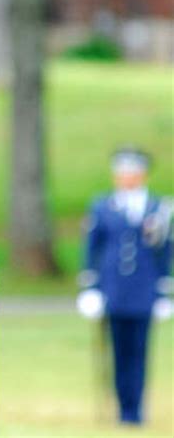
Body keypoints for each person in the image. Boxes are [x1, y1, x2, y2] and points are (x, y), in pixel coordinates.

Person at [77, 147, 173, 425]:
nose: (126, 177)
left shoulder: (157, 207)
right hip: (114, 290)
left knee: (140, 352)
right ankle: (123, 410)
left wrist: (163, 291)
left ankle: (136, 410)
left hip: (143, 291)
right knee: (118, 351)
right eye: (122, 172)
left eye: (132, 172)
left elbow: (164, 251)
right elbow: (92, 248)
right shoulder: (103, 205)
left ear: (142, 174)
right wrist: (91, 288)